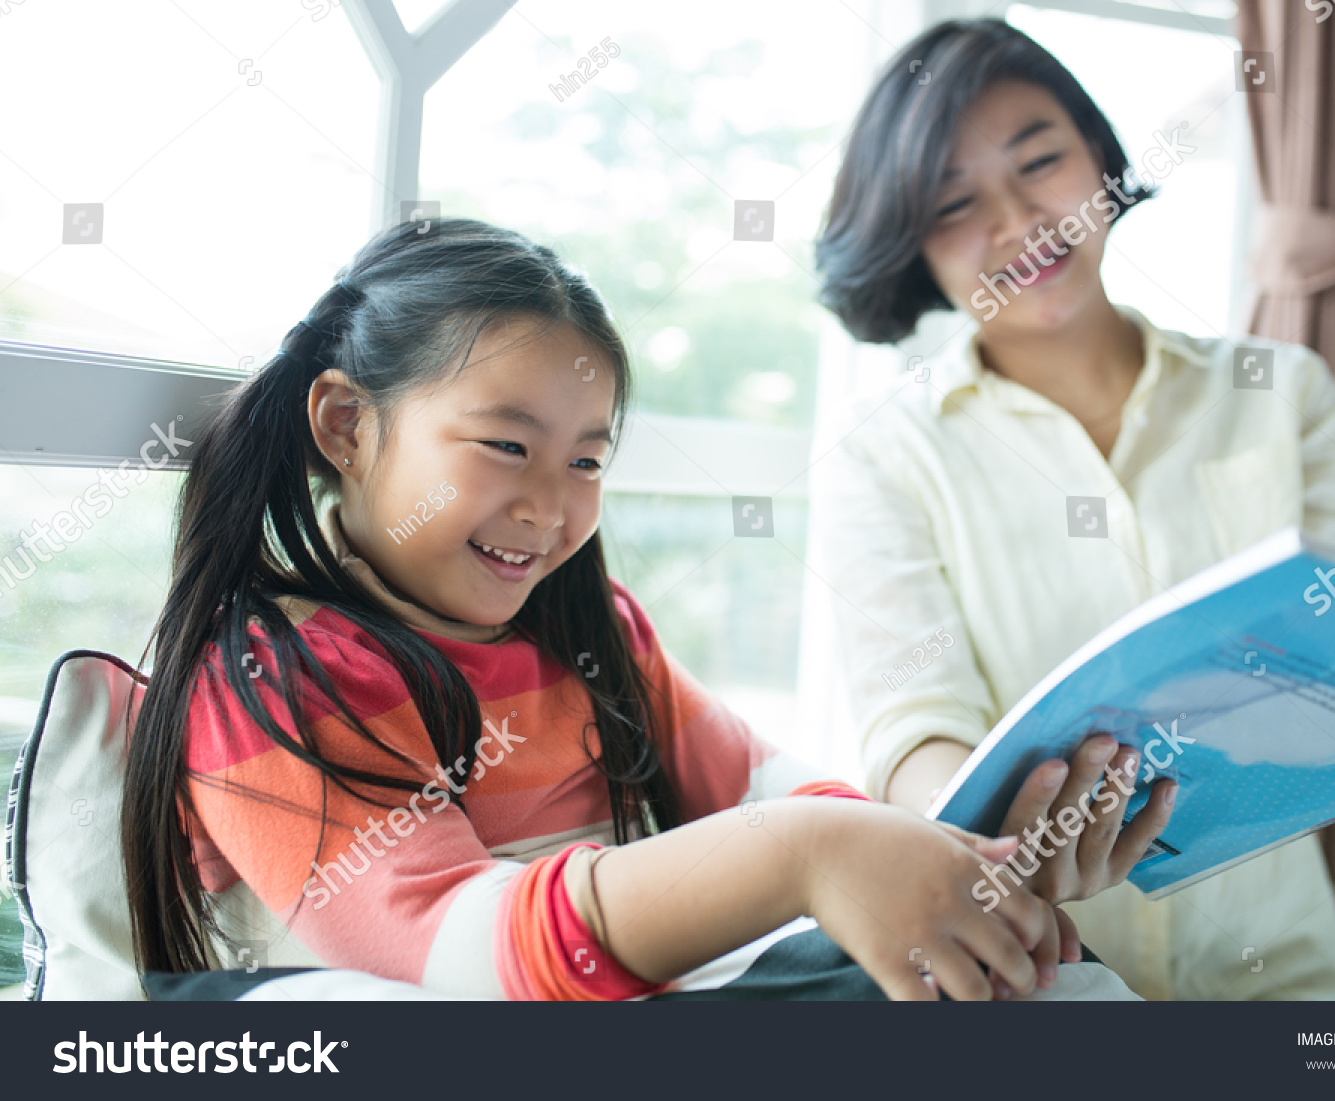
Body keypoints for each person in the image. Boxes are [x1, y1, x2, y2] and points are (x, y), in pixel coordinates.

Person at [119, 216, 1094, 1003]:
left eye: (587, 460)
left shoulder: (598, 634)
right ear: (346, 425)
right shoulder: (270, 677)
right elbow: (457, 950)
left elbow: (760, 785)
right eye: (506, 447)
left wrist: (955, 860)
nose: (549, 506)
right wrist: (806, 856)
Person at [812, 19, 1335, 999]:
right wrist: (982, 833)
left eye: (1042, 163)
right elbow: (913, 728)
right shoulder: (887, 452)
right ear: (907, 243)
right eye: (954, 204)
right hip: (1044, 975)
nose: (1023, 220)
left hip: (1283, 966)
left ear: (1102, 162)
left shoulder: (1281, 394)